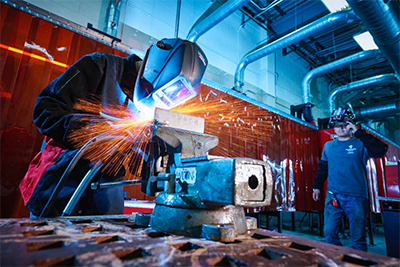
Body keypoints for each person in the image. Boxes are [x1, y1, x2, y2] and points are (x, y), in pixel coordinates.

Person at [19, 38, 208, 217]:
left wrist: (152, 161)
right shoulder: (99, 67)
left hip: (104, 199)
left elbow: (132, 161)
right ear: (154, 70)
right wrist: (96, 133)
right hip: (59, 187)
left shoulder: (153, 103)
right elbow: (45, 109)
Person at [312, 107, 388, 251]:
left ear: (350, 125)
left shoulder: (360, 144)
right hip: (333, 195)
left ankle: (358, 262)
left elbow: (380, 150)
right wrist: (317, 186)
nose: (339, 129)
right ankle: (338, 259)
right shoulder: (328, 146)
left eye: (343, 125)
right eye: (336, 126)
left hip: (356, 197)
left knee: (358, 237)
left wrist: (359, 133)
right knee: (329, 232)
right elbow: (323, 168)